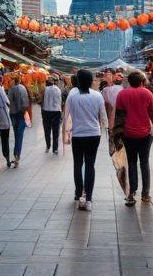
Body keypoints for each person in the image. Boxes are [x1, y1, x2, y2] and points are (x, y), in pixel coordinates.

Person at [64, 68, 107, 211]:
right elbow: (103, 117)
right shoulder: (97, 95)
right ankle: (88, 198)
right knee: (90, 165)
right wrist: (106, 129)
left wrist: (66, 133)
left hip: (78, 135)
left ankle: (78, 194)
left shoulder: (72, 96)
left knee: (77, 164)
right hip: (94, 134)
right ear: (90, 81)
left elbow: (66, 117)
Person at [115, 71, 153, 206]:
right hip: (145, 134)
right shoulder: (147, 93)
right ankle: (145, 194)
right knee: (144, 163)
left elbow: (119, 116)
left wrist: (116, 134)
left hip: (128, 134)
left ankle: (131, 193)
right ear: (142, 82)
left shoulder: (122, 94)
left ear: (129, 81)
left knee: (132, 162)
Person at [7, 73, 30, 166]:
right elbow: (25, 103)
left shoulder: (11, 89)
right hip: (21, 114)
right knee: (19, 136)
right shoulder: (22, 88)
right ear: (19, 80)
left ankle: (15, 155)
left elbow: (8, 102)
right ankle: (17, 156)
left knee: (16, 134)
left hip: (13, 114)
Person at [41, 77, 63, 154]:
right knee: (56, 131)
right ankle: (55, 149)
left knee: (47, 131)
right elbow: (60, 102)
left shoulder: (44, 89)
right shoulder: (58, 90)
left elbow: (41, 101)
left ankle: (48, 146)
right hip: (56, 112)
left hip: (46, 112)